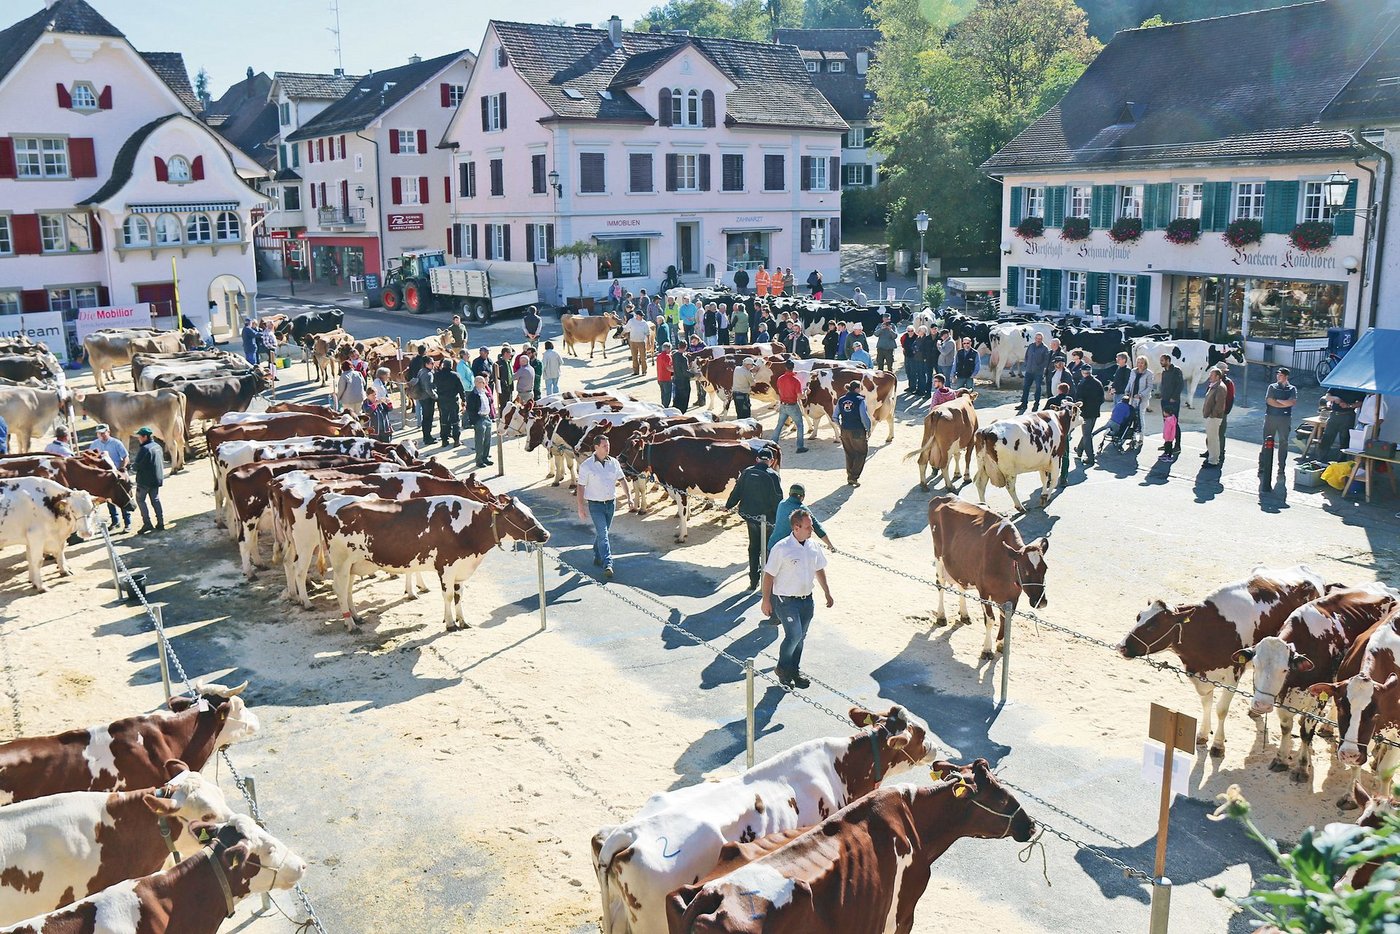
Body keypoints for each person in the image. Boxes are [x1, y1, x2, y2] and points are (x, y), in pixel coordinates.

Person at [762, 507, 832, 689]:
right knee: (794, 636)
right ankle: (782, 669)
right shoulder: (782, 548)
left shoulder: (813, 546)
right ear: (796, 528)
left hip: (807, 600)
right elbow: (769, 575)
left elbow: (819, 569)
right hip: (786, 601)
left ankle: (794, 670)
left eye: (811, 526)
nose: (811, 530)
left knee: (801, 638)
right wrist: (766, 600)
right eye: (808, 527)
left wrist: (827, 591)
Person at [576, 436, 633, 580]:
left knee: (603, 533)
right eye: (604, 446)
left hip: (610, 504)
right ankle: (608, 563)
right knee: (603, 534)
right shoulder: (586, 466)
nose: (608, 448)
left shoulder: (614, 463)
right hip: (595, 505)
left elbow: (622, 480)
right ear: (596, 447)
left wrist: (629, 497)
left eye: (608, 445)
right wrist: (580, 507)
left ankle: (597, 554)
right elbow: (581, 487)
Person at [725, 447, 782, 590]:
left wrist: (728, 505)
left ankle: (753, 580)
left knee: (754, 548)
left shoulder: (747, 472)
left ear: (757, 459)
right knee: (768, 549)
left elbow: (737, 491)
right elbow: (777, 498)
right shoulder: (773, 475)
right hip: (767, 519)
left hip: (750, 516)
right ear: (771, 461)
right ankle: (768, 583)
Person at [89, 424, 131, 531]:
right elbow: (90, 459)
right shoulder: (94, 444)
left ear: (108, 432)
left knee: (122, 499)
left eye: (103, 433)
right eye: (99, 433)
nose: (102, 435)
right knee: (109, 500)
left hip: (117, 475)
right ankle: (115, 521)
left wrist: (122, 469)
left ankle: (127, 523)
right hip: (104, 477)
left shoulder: (116, 443)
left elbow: (125, 457)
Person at [768, 485, 832, 553]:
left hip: (772, 546)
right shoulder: (802, 510)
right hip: (787, 552)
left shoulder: (782, 503)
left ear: (789, 494)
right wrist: (830, 545)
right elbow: (817, 528)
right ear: (803, 496)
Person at [836, 380, 871, 486]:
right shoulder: (860, 400)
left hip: (845, 430)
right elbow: (864, 416)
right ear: (857, 389)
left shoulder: (841, 400)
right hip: (857, 430)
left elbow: (834, 416)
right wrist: (868, 428)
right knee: (861, 453)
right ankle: (853, 477)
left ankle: (850, 475)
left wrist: (840, 426)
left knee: (849, 453)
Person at [1263, 367, 1297, 477]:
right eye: (1277, 375)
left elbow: (1292, 402)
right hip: (1271, 417)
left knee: (1283, 442)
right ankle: (1263, 465)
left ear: (1286, 377)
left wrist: (1278, 401)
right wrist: (1282, 404)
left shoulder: (1291, 389)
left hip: (1284, 419)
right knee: (1266, 441)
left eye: (1281, 375)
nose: (1278, 377)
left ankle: (1281, 467)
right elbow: (1269, 400)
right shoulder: (1272, 387)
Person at [132, 426, 165, 534]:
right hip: (156, 479)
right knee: (155, 500)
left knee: (140, 500)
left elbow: (137, 466)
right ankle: (160, 522)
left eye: (140, 437)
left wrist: (131, 467)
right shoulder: (157, 446)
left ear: (145, 437)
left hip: (144, 481)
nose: (138, 439)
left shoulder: (144, 449)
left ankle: (147, 523)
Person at [1318, 386, 1365, 461]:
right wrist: (1335, 398)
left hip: (1348, 415)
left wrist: (1349, 405)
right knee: (1327, 437)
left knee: (1345, 439)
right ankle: (1321, 459)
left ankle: (1342, 462)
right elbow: (1327, 397)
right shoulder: (1337, 384)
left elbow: (1361, 402)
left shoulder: (1357, 387)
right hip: (1334, 415)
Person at [1043, 381, 1076, 484]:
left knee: (1051, 455)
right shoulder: (1070, 401)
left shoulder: (1052, 400)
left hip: (1052, 432)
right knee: (1065, 455)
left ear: (1058, 390)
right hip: (1065, 431)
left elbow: (1044, 414)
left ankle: (1049, 477)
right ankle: (1064, 478)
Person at [772, 361, 807, 453]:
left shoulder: (780, 379)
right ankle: (800, 447)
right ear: (793, 367)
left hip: (783, 404)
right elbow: (800, 396)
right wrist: (806, 393)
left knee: (779, 425)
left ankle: (772, 443)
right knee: (799, 425)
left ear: (785, 367)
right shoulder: (796, 381)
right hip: (792, 405)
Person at [1073, 368, 1104, 467]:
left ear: (1082, 373)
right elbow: (1102, 399)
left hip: (1086, 413)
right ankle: (1079, 449)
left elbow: (1079, 399)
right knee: (1087, 432)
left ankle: (1090, 457)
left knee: (1086, 435)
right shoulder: (1098, 383)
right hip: (1094, 412)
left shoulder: (1082, 384)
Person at [1121, 355, 1154, 447]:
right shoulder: (1133, 371)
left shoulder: (1149, 373)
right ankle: (1133, 438)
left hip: (1142, 399)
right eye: (1138, 362)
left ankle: (1141, 438)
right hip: (1132, 397)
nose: (1140, 365)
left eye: (1142, 363)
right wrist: (1127, 391)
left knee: (1140, 416)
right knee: (1132, 417)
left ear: (1145, 364)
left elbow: (1150, 387)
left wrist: (1141, 394)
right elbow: (1130, 382)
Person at [465, 374, 496, 468]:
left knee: (488, 439)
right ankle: (479, 460)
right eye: (481, 382)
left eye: (484, 382)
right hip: (479, 418)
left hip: (487, 417)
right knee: (479, 440)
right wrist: (475, 420)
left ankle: (485, 457)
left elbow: (490, 402)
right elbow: (469, 409)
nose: (484, 383)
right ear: (476, 383)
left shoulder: (485, 392)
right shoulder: (473, 395)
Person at [434, 354, 465, 446]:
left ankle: (444, 440)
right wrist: (464, 399)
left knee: (443, 420)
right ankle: (456, 440)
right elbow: (461, 389)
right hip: (452, 400)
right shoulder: (455, 375)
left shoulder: (437, 375)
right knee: (455, 420)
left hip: (441, 400)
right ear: (451, 366)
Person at [1158, 353, 1184, 458]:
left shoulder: (1176, 371)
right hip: (1164, 400)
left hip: (1173, 401)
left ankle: (1177, 445)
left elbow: (1180, 385)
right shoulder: (1164, 372)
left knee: (1174, 423)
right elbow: (1163, 385)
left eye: (1163, 360)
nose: (1161, 362)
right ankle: (1167, 445)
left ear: (1168, 360)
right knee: (1166, 424)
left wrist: (1174, 396)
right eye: (1161, 360)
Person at [1201, 368, 1227, 469]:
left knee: (1213, 439)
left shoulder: (1220, 387)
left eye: (1212, 375)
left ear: (1217, 376)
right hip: (1211, 416)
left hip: (1214, 417)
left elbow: (1219, 405)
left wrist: (1212, 414)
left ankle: (1213, 460)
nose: (1210, 377)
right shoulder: (1214, 385)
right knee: (1211, 438)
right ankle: (1212, 458)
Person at [1019, 333, 1051, 413]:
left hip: (1038, 373)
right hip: (1029, 371)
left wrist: (1039, 367)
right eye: (1037, 338)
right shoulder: (1031, 346)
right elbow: (1026, 356)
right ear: (1035, 338)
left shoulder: (1044, 348)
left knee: (1038, 388)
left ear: (1042, 339)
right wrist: (1026, 364)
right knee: (1026, 387)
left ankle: (1036, 404)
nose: (1038, 340)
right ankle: (1024, 404)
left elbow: (1046, 361)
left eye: (1040, 338)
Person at [413, 357, 439, 445]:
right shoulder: (428, 374)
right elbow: (429, 389)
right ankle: (428, 438)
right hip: (427, 398)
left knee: (425, 418)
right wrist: (435, 396)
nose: (433, 364)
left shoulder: (421, 371)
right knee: (428, 419)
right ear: (426, 364)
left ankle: (426, 436)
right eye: (431, 363)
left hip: (422, 398)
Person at [625, 310, 651, 376]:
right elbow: (627, 329)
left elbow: (647, 333)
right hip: (633, 341)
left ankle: (644, 371)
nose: (641, 317)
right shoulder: (631, 321)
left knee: (643, 357)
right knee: (634, 357)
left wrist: (648, 342)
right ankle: (636, 371)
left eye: (642, 316)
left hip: (641, 341)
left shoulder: (644, 323)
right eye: (640, 316)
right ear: (636, 315)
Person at [669, 344, 692, 413]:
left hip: (676, 379)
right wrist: (693, 375)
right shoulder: (683, 358)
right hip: (684, 381)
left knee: (677, 397)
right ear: (685, 347)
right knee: (684, 398)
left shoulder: (674, 355)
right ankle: (683, 411)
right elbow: (685, 372)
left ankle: (676, 410)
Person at [656, 341, 675, 407]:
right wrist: (676, 371)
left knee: (663, 394)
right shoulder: (667, 356)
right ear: (668, 349)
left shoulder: (658, 356)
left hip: (659, 378)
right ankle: (665, 407)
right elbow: (669, 368)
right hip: (666, 378)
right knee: (667, 394)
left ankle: (663, 406)